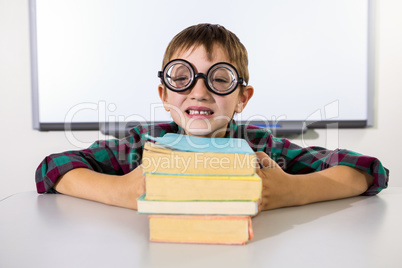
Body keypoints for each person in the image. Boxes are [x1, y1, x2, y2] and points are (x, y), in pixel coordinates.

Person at [35, 23, 389, 212]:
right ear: (164, 94)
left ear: (241, 98)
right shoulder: (142, 144)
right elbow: (53, 168)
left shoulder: (262, 147)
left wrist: (291, 190)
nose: (199, 92)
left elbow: (367, 171)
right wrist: (122, 191)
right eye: (182, 77)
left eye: (220, 80)